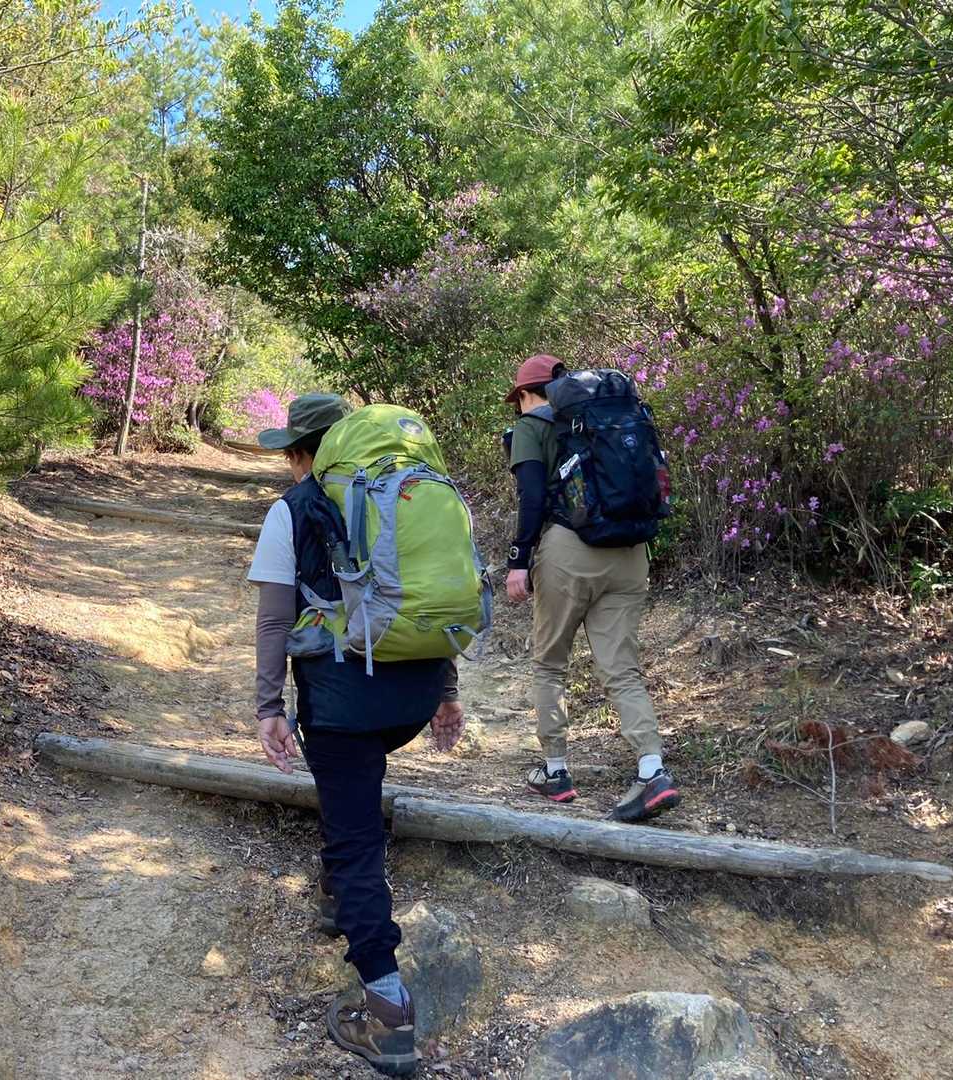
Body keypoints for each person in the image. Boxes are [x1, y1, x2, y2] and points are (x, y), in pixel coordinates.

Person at [248, 392, 465, 1078]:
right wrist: (447, 693)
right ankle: (336, 894)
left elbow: (273, 621)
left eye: (290, 452)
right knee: (352, 802)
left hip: (344, 704)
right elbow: (431, 597)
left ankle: (387, 1012)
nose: (288, 465)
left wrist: (268, 707)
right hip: (415, 693)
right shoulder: (406, 494)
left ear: (303, 454)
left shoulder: (292, 509)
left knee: (356, 839)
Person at [503, 355, 680, 823]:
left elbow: (532, 497)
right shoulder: (610, 416)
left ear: (527, 394)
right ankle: (652, 771)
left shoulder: (530, 426)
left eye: (518, 399)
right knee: (622, 669)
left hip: (570, 551)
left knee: (550, 663)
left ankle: (556, 770)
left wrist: (519, 560)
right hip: (630, 552)